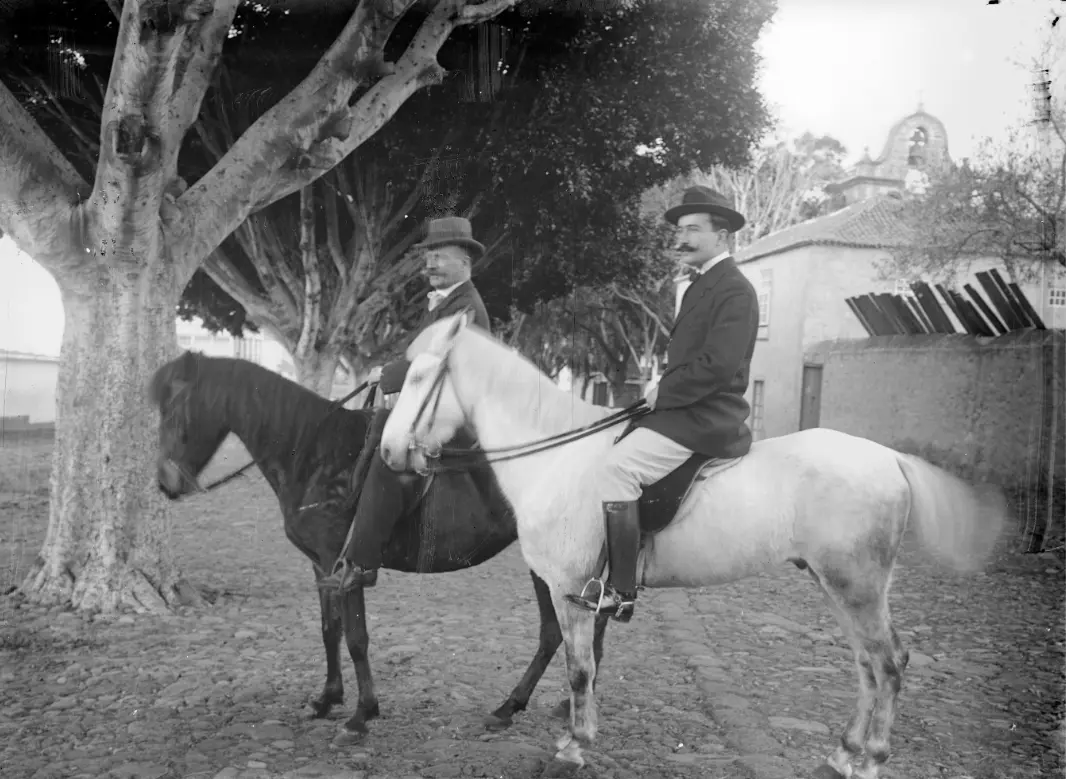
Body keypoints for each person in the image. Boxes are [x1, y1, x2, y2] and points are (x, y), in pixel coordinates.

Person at [565, 186, 761, 622]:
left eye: (693, 230)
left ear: (723, 237)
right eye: (680, 230)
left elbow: (717, 367)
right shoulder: (701, 285)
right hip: (685, 409)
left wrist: (662, 394)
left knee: (617, 468)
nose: (682, 238)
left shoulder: (735, 290)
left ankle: (620, 591)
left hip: (708, 417)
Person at [318, 216, 491, 591]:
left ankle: (362, 564)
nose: (430, 264)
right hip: (435, 403)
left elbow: (445, 363)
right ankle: (353, 520)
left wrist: (391, 374)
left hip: (457, 415)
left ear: (465, 262)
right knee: (370, 426)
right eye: (428, 257)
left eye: (439, 257)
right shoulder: (445, 302)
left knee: (388, 455)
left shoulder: (467, 307)